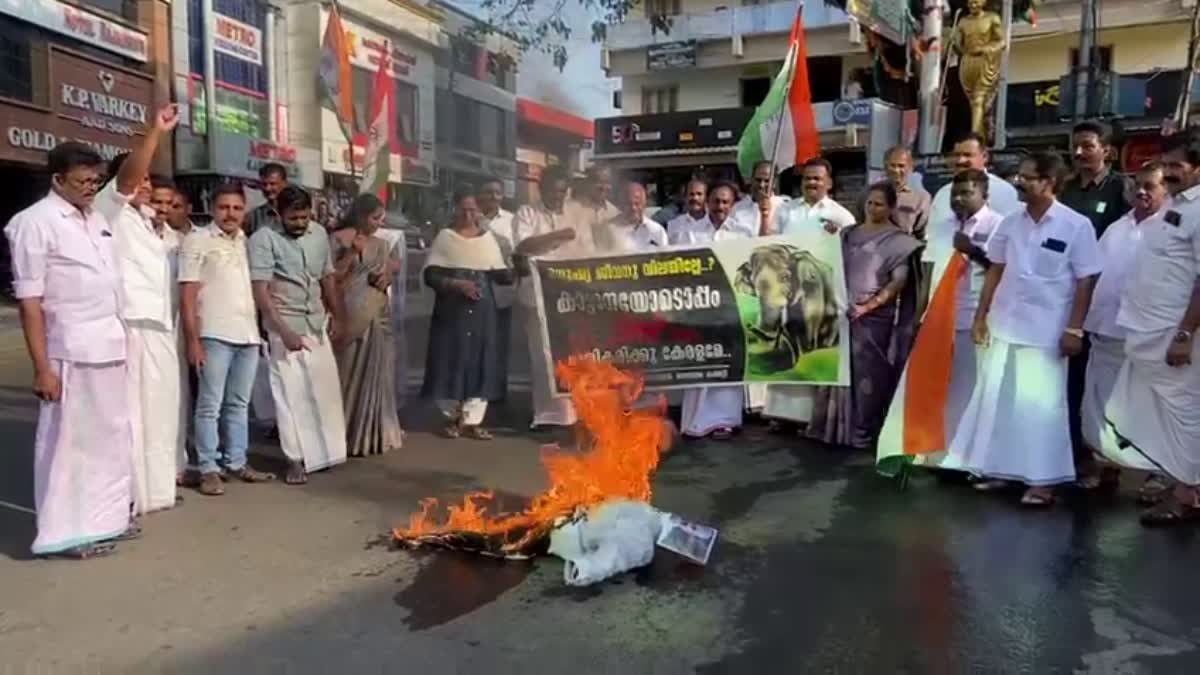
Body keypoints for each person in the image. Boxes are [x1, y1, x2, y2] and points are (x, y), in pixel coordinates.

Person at [944, 152, 1102, 507]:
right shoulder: (1010, 223)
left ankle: (1043, 481)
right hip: (1005, 323)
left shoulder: (1076, 225)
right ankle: (1003, 470)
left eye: (1028, 177)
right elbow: (996, 270)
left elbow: (1084, 281)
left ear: (1049, 183)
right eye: (1019, 176)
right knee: (1001, 402)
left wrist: (1075, 330)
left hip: (1048, 331)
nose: (1019, 182)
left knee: (1041, 408)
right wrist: (981, 315)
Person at [6, 142, 133, 558]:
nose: (91, 188)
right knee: (66, 448)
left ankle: (106, 521)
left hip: (109, 346)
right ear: (57, 179)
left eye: (96, 181)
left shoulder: (96, 218)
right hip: (69, 352)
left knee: (110, 440)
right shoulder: (33, 223)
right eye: (82, 181)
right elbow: (30, 303)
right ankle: (65, 533)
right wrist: (43, 368)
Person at [876, 169, 1003, 474]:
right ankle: (941, 453)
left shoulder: (998, 225)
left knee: (974, 389)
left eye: (967, 193)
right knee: (943, 386)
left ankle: (975, 458)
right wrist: (920, 315)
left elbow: (1001, 271)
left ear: (984, 195)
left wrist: (972, 250)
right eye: (955, 194)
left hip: (979, 317)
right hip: (941, 317)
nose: (959, 199)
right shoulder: (942, 227)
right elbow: (930, 272)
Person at [1105, 130, 1200, 523]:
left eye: (1178, 165)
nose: (1171, 172)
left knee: (1185, 413)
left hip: (1175, 336)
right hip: (1147, 332)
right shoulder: (1175, 207)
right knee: (1156, 411)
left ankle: (1187, 495)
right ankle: (1182, 483)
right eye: (1168, 164)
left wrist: (1184, 334)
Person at [96, 105, 185, 515]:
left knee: (162, 410)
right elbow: (129, 179)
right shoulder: (109, 210)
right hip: (129, 324)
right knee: (131, 415)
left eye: (150, 180)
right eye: (141, 179)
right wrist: (156, 133)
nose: (145, 186)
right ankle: (128, 494)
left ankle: (157, 491)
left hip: (159, 326)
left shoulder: (151, 222)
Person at [806, 182, 922, 449]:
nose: (872, 208)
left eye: (879, 204)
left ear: (891, 207)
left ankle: (862, 433)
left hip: (872, 318)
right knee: (833, 371)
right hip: (839, 311)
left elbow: (898, 282)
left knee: (867, 376)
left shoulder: (899, 241)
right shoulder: (848, 234)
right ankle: (830, 429)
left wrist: (868, 306)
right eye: (869, 203)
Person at [179, 183, 276, 496]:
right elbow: (188, 294)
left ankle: (236, 462)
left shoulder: (247, 242)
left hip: (246, 335)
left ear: (244, 210)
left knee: (238, 404)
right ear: (212, 208)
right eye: (224, 207)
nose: (230, 214)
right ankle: (208, 467)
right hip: (213, 335)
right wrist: (192, 340)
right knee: (210, 405)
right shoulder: (198, 240)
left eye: (236, 208)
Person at [1078, 162, 1168, 490]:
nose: (1142, 191)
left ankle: (1159, 474)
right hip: (1106, 329)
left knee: (1150, 405)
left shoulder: (1173, 227)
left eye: (1151, 186)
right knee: (1101, 400)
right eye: (1138, 185)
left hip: (1149, 334)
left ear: (1166, 190)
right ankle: (1106, 463)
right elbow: (1094, 273)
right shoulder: (1118, 227)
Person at [249, 186, 348, 485]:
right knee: (290, 395)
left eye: (305, 217)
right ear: (278, 214)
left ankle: (325, 454)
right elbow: (261, 292)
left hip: (316, 322)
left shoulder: (318, 234)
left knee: (324, 391)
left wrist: (339, 315)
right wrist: (284, 331)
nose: (300, 223)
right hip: (285, 324)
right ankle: (294, 459)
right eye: (294, 218)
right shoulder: (263, 240)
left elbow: (327, 277)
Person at [1059, 120, 1135, 486]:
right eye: (1075, 146)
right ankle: (1078, 453)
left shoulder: (1123, 190)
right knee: (1072, 381)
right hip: (1068, 298)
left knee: (1107, 384)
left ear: (1107, 150)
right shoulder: (1067, 189)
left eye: (1087, 146)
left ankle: (1113, 457)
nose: (1079, 153)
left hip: (1108, 303)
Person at [422, 191, 513, 439]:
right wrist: (456, 285)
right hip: (451, 309)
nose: (468, 215)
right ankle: (452, 417)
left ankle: (473, 419)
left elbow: (501, 274)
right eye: (463, 209)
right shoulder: (445, 238)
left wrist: (518, 263)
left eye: (473, 210)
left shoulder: (488, 239)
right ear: (455, 210)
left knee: (481, 359)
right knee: (449, 358)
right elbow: (430, 276)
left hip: (483, 309)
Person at [330, 194, 405, 456]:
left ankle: (371, 435)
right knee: (346, 372)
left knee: (379, 372)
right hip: (350, 312)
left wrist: (386, 277)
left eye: (381, 219)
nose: (378, 223)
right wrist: (352, 252)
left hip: (377, 311)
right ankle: (343, 435)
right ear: (361, 215)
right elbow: (331, 277)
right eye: (374, 218)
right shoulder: (339, 238)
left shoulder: (382, 244)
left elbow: (390, 272)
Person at [678, 182, 753, 439]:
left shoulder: (743, 233)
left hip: (730, 308)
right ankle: (696, 422)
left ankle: (725, 420)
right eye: (716, 201)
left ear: (732, 205)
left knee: (727, 363)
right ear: (708, 202)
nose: (720, 207)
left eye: (725, 202)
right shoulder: (692, 232)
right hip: (698, 307)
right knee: (700, 361)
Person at [511, 166, 580, 429]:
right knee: (542, 356)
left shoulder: (574, 214)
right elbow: (523, 247)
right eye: (554, 191)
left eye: (563, 191)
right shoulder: (527, 213)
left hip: (570, 297)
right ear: (542, 189)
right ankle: (548, 415)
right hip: (537, 296)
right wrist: (559, 236)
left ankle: (573, 413)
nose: (559, 196)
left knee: (571, 356)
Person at [477, 178, 514, 400]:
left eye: (497, 193)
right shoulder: (469, 217)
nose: (493, 197)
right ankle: (477, 394)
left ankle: (498, 395)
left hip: (501, 289)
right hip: (476, 288)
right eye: (488, 192)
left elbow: (513, 251)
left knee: (499, 345)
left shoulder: (511, 220)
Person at [774, 158, 856, 236]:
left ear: (829, 183)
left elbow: (851, 246)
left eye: (817, 179)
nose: (811, 182)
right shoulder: (785, 210)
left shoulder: (841, 215)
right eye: (807, 178)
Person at [868, 146, 931, 238]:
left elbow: (921, 233)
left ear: (910, 168)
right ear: (885, 166)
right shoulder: (869, 193)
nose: (896, 170)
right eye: (892, 165)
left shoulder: (921, 198)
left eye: (901, 166)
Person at [595, 181, 668, 253]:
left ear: (644, 204)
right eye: (628, 204)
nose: (633, 208)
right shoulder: (608, 230)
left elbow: (665, 259)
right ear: (621, 205)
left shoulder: (657, 230)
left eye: (637, 203)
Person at [564, 164, 619, 250]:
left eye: (607, 182)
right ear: (588, 182)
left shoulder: (614, 213)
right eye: (599, 182)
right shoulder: (569, 209)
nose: (603, 187)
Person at [732, 160, 790, 236]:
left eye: (766, 181)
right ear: (751, 180)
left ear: (774, 183)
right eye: (758, 180)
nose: (761, 185)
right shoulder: (737, 208)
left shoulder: (784, 206)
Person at [244, 162, 288, 236]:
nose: (267, 188)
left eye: (272, 184)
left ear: (284, 183)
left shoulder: (296, 211)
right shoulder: (254, 215)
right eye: (264, 184)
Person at [666, 178, 710, 245]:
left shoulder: (715, 224)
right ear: (685, 197)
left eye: (699, 194)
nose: (695, 198)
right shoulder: (673, 225)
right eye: (691, 194)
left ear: (706, 197)